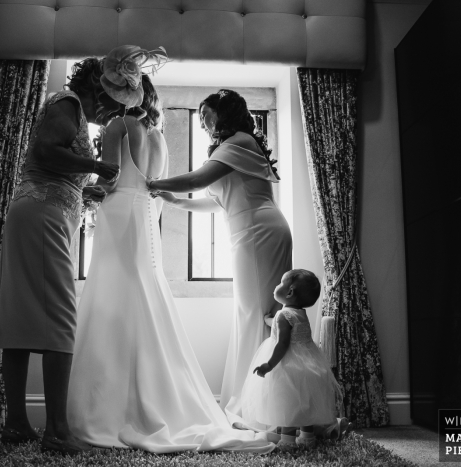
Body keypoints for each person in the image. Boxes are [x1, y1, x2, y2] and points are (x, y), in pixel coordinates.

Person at [67, 47, 275, 454]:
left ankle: (108, 409)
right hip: (146, 222)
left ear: (115, 94)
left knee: (112, 304)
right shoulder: (159, 137)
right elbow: (155, 190)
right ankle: (156, 401)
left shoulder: (118, 127)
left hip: (120, 217)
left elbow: (109, 181)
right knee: (145, 301)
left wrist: (80, 192)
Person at [0, 57, 121, 454]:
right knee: (61, 317)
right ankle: (58, 431)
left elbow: (54, 165)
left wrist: (87, 189)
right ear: (99, 89)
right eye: (112, 101)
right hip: (43, 213)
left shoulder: (67, 107)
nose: (111, 111)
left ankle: (16, 423)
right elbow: (47, 151)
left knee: (20, 315)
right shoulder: (68, 103)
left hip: (39, 211)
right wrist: (97, 165)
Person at [147, 89, 293, 424]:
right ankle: (255, 401)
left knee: (256, 315)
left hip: (259, 232)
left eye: (205, 114)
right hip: (251, 231)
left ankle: (257, 406)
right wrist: (177, 202)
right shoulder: (234, 146)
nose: (201, 122)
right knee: (252, 315)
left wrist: (150, 183)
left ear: (223, 113)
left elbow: (199, 180)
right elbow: (220, 201)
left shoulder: (239, 141)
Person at [241, 269, 342, 450]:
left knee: (287, 403)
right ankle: (307, 437)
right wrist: (269, 321)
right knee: (305, 403)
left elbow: (283, 342)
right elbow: (288, 327)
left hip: (289, 364)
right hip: (309, 362)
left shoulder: (283, 315)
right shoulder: (300, 313)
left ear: (289, 292)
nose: (276, 286)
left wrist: (269, 365)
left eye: (281, 283)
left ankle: (287, 442)